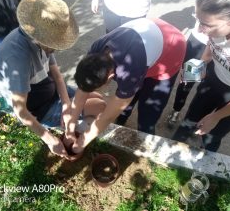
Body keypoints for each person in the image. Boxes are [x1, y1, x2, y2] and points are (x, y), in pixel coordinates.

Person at [0, 0, 105, 159]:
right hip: (39, 107)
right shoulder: (17, 58)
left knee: (96, 96)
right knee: (100, 106)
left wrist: (67, 105)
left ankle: (72, 130)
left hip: (47, 88)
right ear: (41, 37)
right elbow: (20, 110)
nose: (57, 48)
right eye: (55, 43)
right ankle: (70, 143)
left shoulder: (38, 38)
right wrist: (50, 139)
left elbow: (57, 74)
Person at [64, 18, 186, 154]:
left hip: (172, 48)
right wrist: (70, 129)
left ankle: (146, 139)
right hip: (148, 32)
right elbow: (82, 92)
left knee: (148, 111)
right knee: (127, 99)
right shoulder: (96, 49)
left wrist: (81, 143)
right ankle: (122, 121)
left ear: (110, 76)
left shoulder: (128, 72)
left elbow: (107, 116)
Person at [172, 0, 230, 152]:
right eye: (198, 20)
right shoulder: (217, 28)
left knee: (212, 134)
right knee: (190, 120)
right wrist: (196, 68)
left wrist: (216, 116)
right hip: (215, 79)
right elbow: (210, 50)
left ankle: (205, 168)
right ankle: (172, 149)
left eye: (206, 24)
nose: (200, 30)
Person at [166, 21, 208, 128]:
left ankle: (196, 118)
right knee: (181, 79)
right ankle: (176, 110)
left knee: (196, 84)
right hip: (196, 41)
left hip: (214, 47)